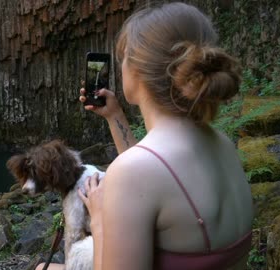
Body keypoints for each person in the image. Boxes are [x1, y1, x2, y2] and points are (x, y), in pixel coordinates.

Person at [36, 2, 253, 270]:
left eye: (123, 57)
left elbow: (142, 177)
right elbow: (153, 178)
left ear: (136, 69)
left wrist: (101, 219)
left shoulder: (132, 174)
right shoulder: (222, 143)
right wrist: (114, 116)